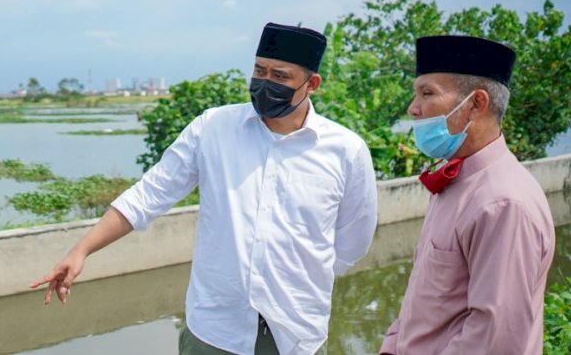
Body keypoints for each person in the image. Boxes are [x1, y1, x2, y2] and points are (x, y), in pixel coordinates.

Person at [31, 22, 379, 355]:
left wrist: (296, 280)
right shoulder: (213, 128)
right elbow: (148, 195)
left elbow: (353, 240)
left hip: (297, 334)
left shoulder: (345, 150)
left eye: (279, 76)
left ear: (312, 83)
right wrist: (81, 251)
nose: (264, 82)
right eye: (259, 71)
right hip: (215, 332)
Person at [380, 35, 555, 354]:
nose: (413, 108)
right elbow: (422, 303)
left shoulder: (502, 203)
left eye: (427, 93)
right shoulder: (455, 180)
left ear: (476, 104)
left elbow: (494, 339)